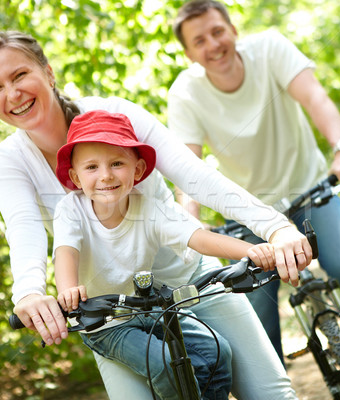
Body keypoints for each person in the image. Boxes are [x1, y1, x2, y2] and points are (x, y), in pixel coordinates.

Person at [0, 30, 307, 399]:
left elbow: (194, 175)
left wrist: (276, 229)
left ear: (49, 73)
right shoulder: (9, 158)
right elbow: (24, 229)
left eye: (19, 75)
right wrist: (30, 293)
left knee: (271, 393)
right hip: (112, 313)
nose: (12, 93)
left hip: (188, 277)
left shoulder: (115, 114)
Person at [167, 1, 340, 399]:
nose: (212, 44)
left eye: (218, 31)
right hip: (253, 216)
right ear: (188, 53)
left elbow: (315, 98)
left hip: (309, 192)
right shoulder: (186, 92)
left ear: (233, 28)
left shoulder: (269, 48)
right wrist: (190, 221)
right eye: (199, 40)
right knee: (256, 314)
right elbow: (188, 168)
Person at [53, 110, 286, 398]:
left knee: (217, 352)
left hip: (150, 309)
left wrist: (251, 251)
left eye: (116, 163)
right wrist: (67, 289)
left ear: (137, 170)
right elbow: (66, 251)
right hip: (107, 323)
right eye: (91, 168)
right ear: (75, 177)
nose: (105, 175)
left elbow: (198, 238)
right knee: (163, 363)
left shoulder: (149, 209)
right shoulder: (70, 210)